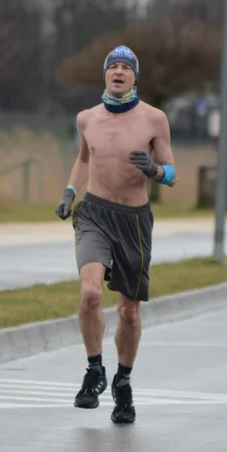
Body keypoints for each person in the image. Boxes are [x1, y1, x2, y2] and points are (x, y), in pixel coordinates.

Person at [54, 45, 176, 424]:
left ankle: (123, 382)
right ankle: (94, 371)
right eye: (113, 66)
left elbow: (172, 173)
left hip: (134, 221)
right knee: (90, 294)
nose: (119, 71)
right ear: (105, 75)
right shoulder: (86, 119)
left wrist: (155, 170)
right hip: (94, 213)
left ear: (135, 76)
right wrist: (70, 193)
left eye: (126, 66)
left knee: (129, 311)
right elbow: (84, 159)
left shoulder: (155, 119)